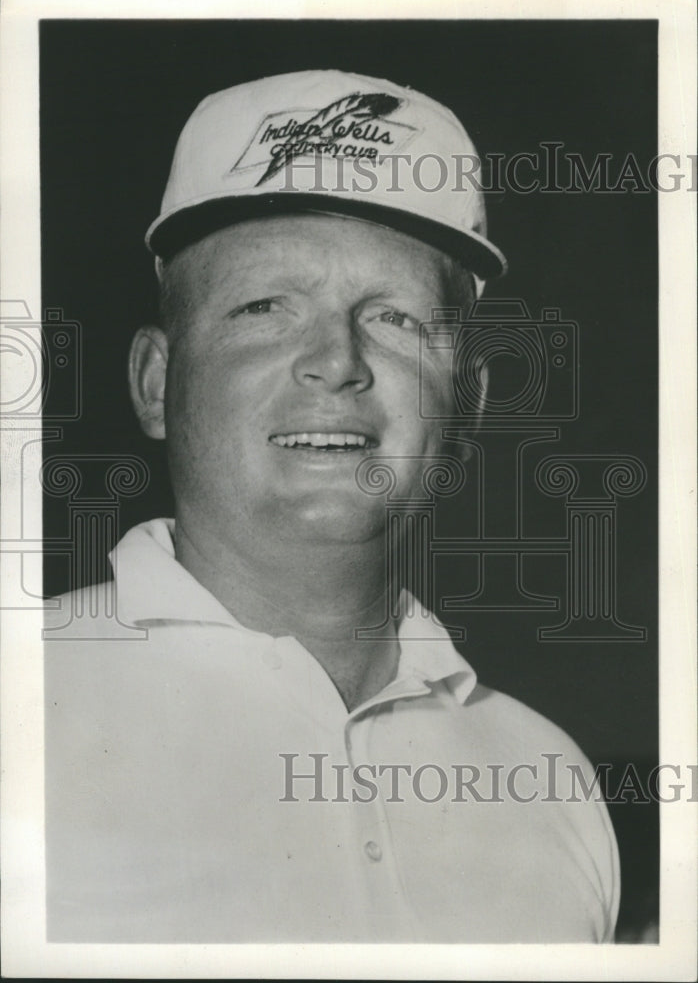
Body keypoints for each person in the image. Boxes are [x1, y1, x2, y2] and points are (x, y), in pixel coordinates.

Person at [44, 69, 619, 943]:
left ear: (469, 403)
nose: (337, 363)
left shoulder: (552, 778)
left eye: (395, 319)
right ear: (157, 384)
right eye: (264, 307)